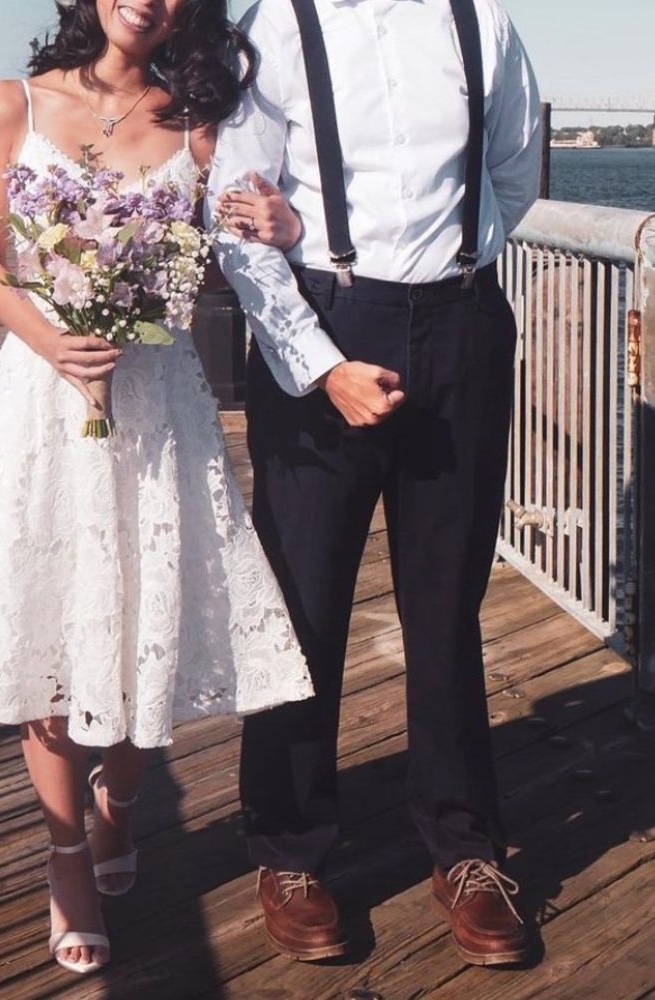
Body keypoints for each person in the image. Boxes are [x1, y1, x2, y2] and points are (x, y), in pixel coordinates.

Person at [0, 0, 316, 977]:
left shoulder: (195, 123)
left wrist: (275, 228)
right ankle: (65, 854)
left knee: (142, 626)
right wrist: (53, 340)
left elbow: (219, 260)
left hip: (157, 402)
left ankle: (120, 798)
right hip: (42, 406)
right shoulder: (12, 105)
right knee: (49, 622)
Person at [207, 0, 541, 968]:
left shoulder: (483, 21)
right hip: (326, 324)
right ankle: (289, 848)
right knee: (303, 602)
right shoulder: (272, 22)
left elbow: (512, 174)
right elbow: (235, 214)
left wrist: (455, 274)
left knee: (447, 605)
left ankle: (465, 848)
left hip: (462, 326)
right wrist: (320, 360)